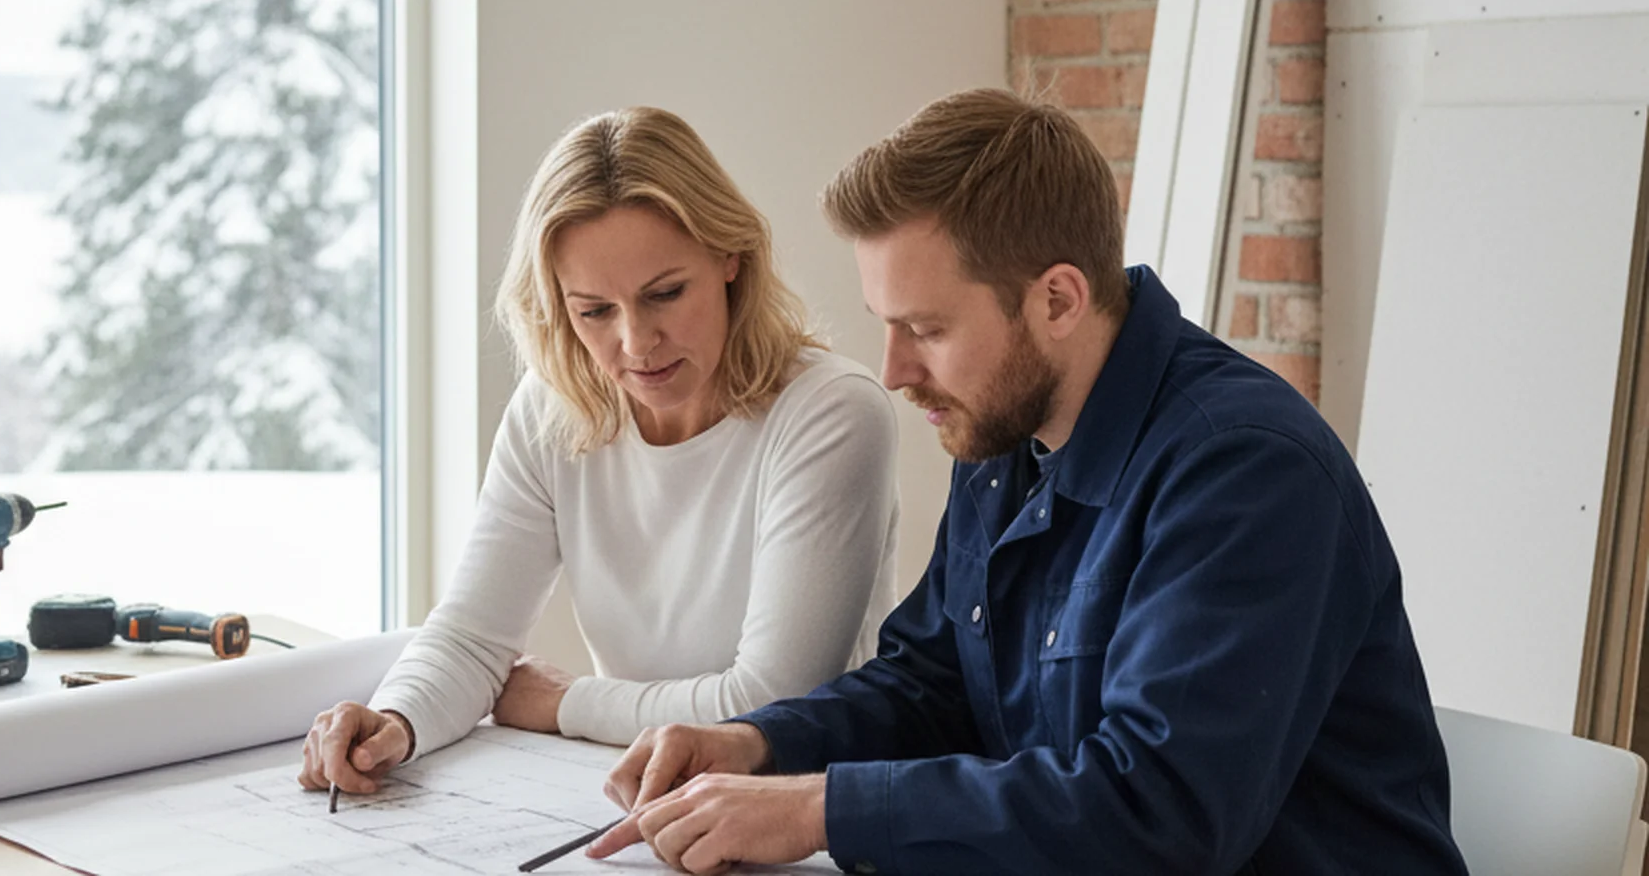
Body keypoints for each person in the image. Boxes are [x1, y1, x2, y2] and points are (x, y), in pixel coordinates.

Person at [588, 88, 1468, 875]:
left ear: (1057, 300)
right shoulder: (1004, 425)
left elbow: (1158, 814)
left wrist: (822, 809)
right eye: (885, 326)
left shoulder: (1246, 471)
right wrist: (756, 743)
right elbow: (931, 684)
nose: (893, 372)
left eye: (925, 328)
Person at [296, 106, 902, 797]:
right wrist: (392, 720)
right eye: (594, 311)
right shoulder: (553, 410)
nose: (637, 343)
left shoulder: (831, 413)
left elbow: (772, 704)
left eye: (666, 294)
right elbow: (472, 639)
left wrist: (565, 702)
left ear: (731, 256)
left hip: (792, 812)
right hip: (631, 795)